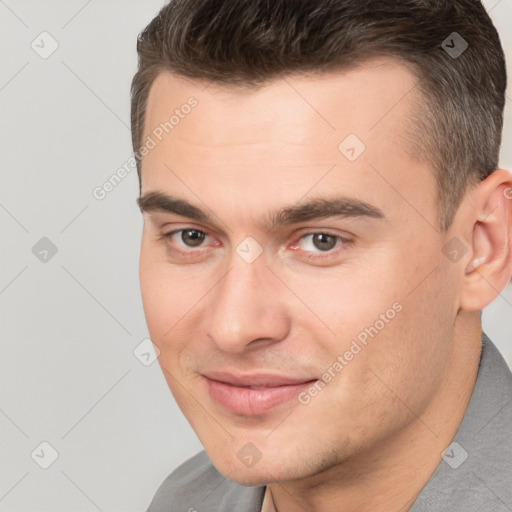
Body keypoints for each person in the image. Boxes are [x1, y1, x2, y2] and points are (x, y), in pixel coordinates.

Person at [130, 0, 512, 510]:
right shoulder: (183, 500)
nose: (234, 327)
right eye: (191, 236)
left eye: (321, 240)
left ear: (481, 248)